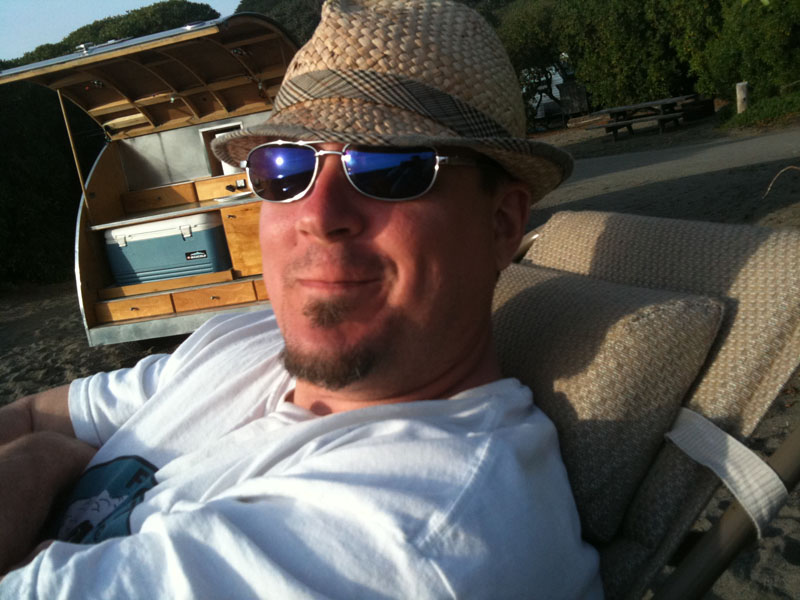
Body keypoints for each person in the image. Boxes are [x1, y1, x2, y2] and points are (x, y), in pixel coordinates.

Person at [0, 0, 602, 597]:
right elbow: (32, 414)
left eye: (390, 167)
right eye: (284, 168)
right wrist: (42, 452)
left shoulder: (415, 537)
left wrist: (40, 462)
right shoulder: (245, 341)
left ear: (501, 224)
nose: (317, 214)